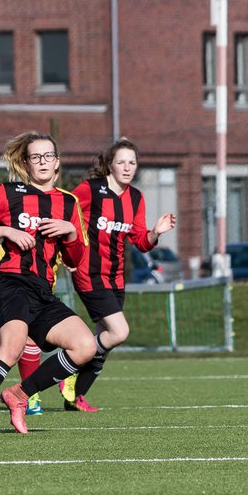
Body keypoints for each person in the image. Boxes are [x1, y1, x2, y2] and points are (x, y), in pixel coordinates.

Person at [0, 131, 97, 436]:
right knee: (13, 347)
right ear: (27, 164)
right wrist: (4, 232)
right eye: (35, 157)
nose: (42, 162)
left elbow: (76, 259)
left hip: (43, 291)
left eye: (48, 156)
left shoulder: (69, 204)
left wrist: (70, 232)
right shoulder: (9, 193)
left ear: (57, 163)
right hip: (11, 282)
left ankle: (19, 395)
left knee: (85, 346)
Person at [63, 138, 176, 411]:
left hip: (116, 276)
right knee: (119, 331)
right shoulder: (91, 190)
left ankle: (77, 396)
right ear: (110, 165)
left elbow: (140, 240)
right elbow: (65, 212)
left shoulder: (135, 197)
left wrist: (155, 233)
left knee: (106, 338)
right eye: (121, 162)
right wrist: (68, 250)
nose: (127, 167)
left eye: (132, 162)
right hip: (88, 272)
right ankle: (68, 371)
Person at [0, 241, 48, 416]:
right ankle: (28, 395)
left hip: (44, 276)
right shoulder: (14, 213)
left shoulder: (64, 214)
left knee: (21, 338)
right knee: (28, 335)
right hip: (12, 277)